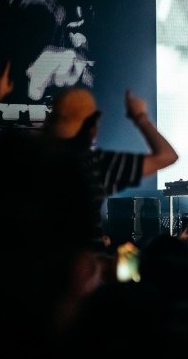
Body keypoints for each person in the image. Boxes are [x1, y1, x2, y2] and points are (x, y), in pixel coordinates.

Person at [43, 86, 179, 247]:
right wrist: (140, 117)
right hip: (80, 267)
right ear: (93, 127)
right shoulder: (95, 164)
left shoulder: (24, 159)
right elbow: (167, 156)